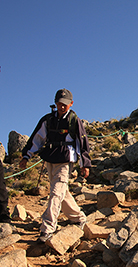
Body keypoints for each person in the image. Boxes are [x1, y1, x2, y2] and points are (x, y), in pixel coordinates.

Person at [19, 88, 90, 243]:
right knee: (61, 192)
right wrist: (26, 156)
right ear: (55, 103)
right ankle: (78, 217)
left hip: (66, 159)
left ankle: (47, 228)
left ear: (71, 104)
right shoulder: (47, 119)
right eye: (59, 103)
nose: (61, 106)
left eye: (65, 104)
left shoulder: (73, 120)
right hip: (50, 159)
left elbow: (82, 142)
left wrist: (85, 164)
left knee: (56, 192)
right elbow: (37, 139)